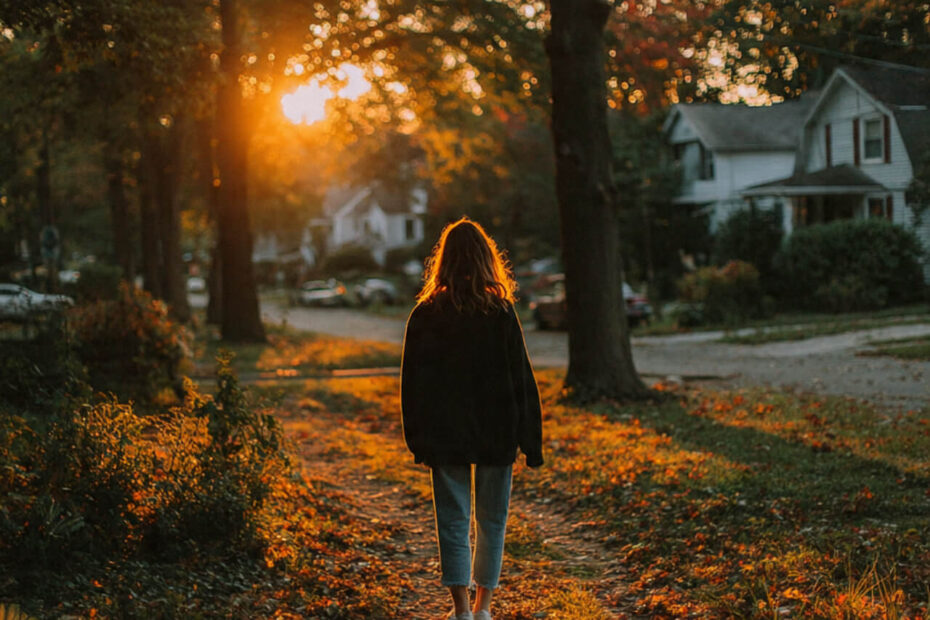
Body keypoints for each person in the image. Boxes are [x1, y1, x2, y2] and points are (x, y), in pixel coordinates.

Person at [400, 217, 544, 620]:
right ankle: (484, 608)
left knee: (452, 518)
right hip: (498, 432)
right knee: (492, 519)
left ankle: (461, 610)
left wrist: (418, 438)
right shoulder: (500, 313)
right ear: (487, 260)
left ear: (442, 262)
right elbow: (522, 379)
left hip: (446, 435)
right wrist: (530, 441)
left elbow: (412, 385)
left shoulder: (425, 316)